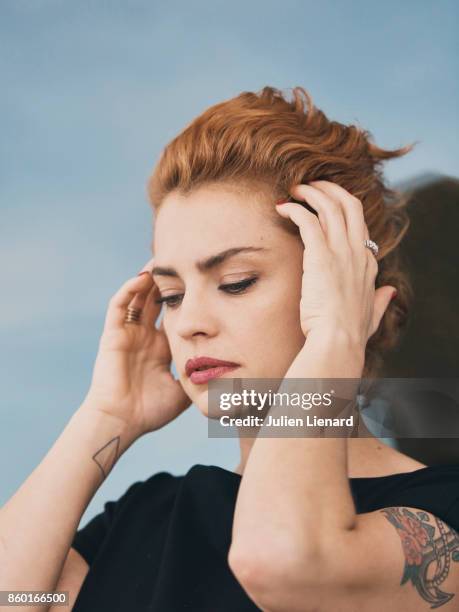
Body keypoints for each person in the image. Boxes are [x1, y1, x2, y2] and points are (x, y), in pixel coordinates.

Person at [2, 86, 459, 612]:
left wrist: (336, 340)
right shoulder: (146, 516)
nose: (189, 322)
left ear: (346, 289)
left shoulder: (438, 515)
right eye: (172, 295)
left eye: (236, 282)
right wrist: (105, 415)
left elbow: (282, 564)